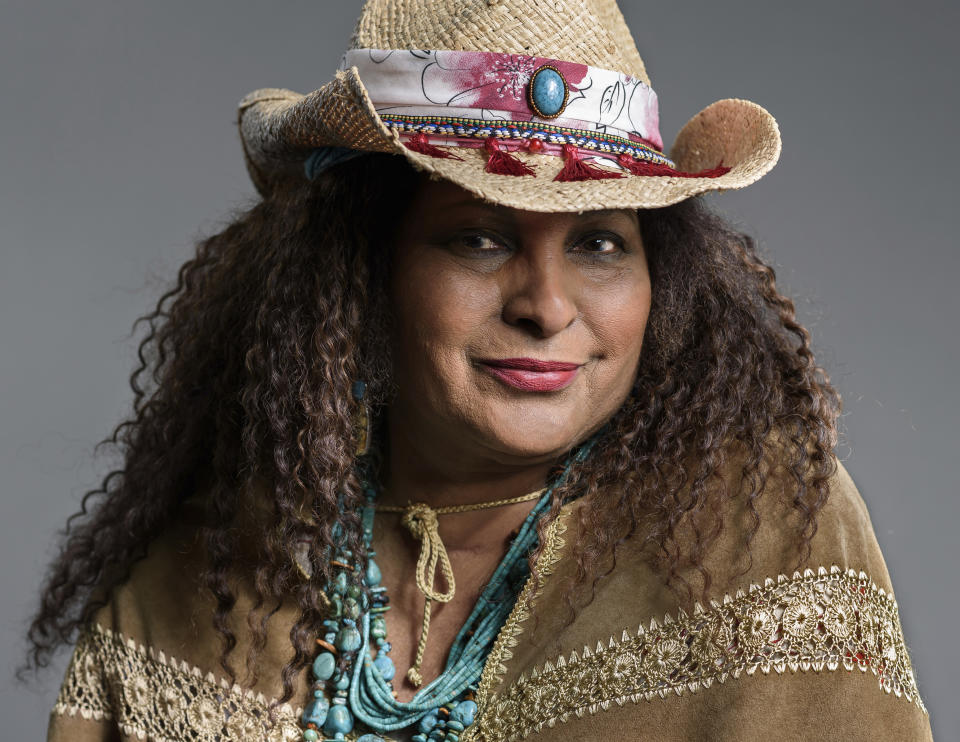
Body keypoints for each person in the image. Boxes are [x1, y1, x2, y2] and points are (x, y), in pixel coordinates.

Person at [28, 1, 933, 740]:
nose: (545, 303)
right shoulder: (213, 555)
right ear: (365, 275)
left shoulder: (755, 526)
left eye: (599, 242)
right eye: (479, 237)